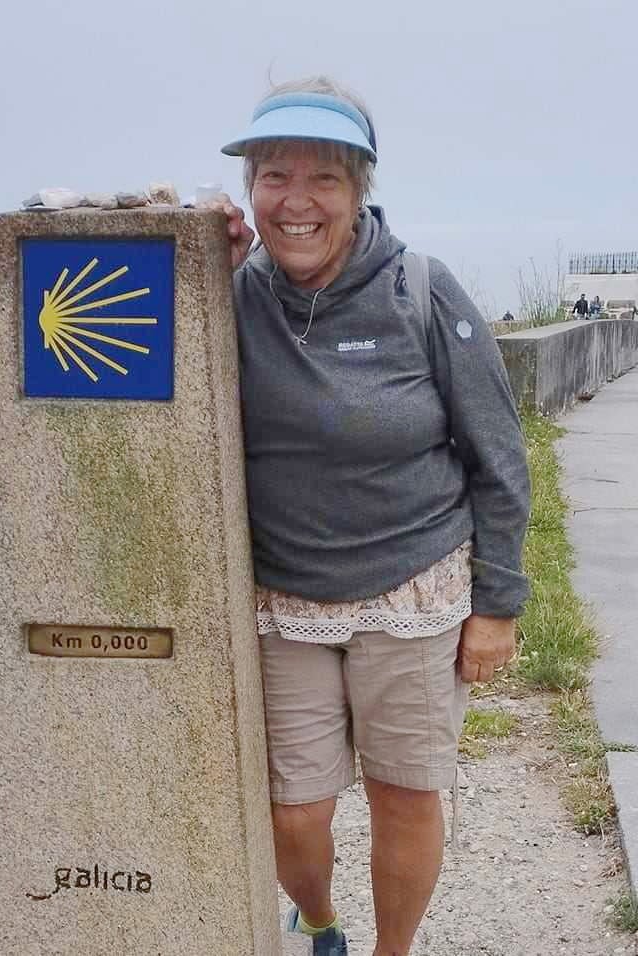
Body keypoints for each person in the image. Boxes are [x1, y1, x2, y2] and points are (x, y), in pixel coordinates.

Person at [208, 77, 531, 956]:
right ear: (249, 192)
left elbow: (498, 454)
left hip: (414, 591)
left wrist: (496, 604)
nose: (297, 202)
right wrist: (190, 253)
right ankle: (320, 921)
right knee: (294, 810)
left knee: (403, 794)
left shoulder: (422, 291)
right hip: (287, 602)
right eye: (274, 176)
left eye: (325, 180)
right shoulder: (229, 294)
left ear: (361, 190)